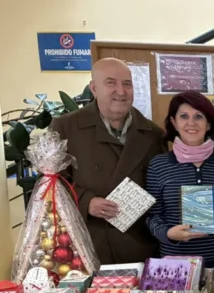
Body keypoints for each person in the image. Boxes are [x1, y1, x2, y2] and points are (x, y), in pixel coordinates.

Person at [49, 57, 166, 264]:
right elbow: (50, 184)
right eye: (110, 83)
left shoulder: (153, 133)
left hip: (139, 246)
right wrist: (86, 202)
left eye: (127, 84)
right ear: (93, 88)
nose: (121, 91)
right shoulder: (65, 127)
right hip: (88, 245)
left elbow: (162, 187)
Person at [145, 91, 214, 278]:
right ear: (174, 122)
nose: (191, 123)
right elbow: (151, 216)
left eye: (199, 116)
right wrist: (169, 233)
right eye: (184, 116)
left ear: (209, 123)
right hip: (176, 266)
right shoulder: (158, 165)